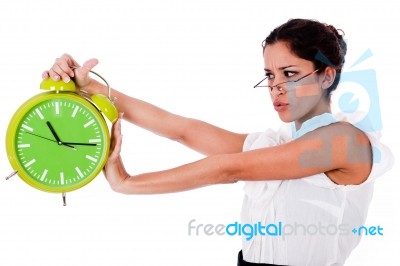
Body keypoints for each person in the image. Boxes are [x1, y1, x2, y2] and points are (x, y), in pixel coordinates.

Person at [43, 18, 393, 266]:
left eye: (290, 74)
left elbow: (227, 169)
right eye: (270, 75)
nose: (277, 88)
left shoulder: (344, 141)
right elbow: (182, 130)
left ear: (326, 75)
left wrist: (126, 182)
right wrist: (89, 87)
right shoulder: (271, 145)